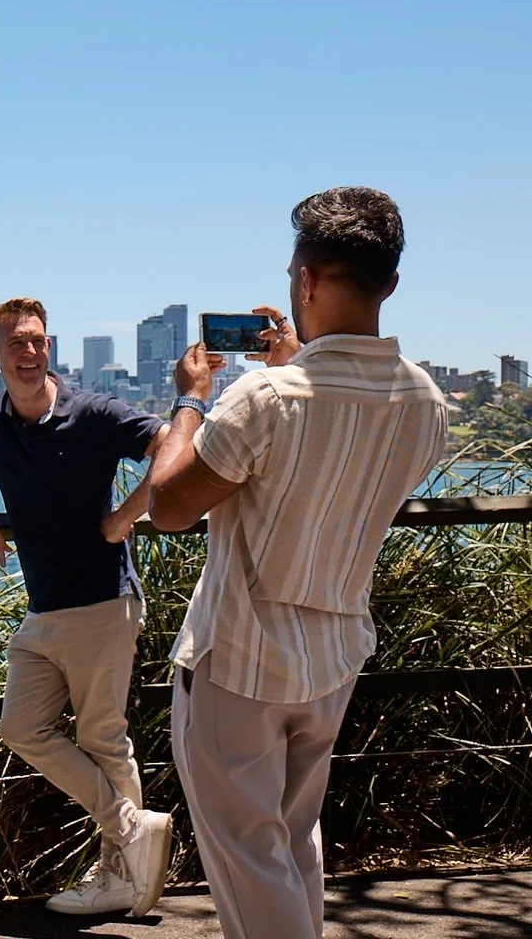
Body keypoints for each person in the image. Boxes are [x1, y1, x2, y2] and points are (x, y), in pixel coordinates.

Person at [147, 187, 447, 939]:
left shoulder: (265, 398)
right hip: (333, 654)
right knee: (291, 837)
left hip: (239, 658)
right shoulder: (425, 401)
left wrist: (191, 403)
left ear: (305, 281)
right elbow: (331, 468)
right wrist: (302, 361)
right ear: (390, 282)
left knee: (251, 858)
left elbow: (170, 506)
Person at [0, 297, 175, 918]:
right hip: (44, 608)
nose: (30, 351)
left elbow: (173, 445)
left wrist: (127, 516)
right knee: (21, 727)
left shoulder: (93, 412)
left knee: (103, 737)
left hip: (102, 601)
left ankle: (120, 874)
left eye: (38, 340)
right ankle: (131, 830)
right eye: (16, 342)